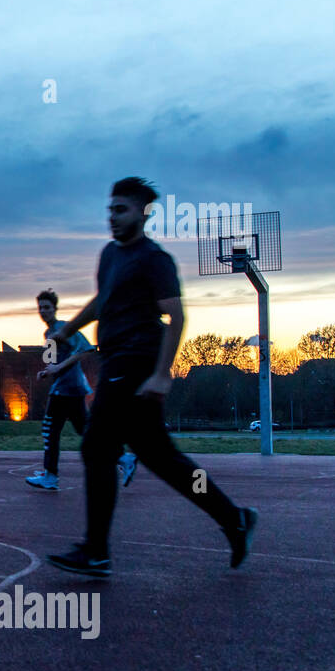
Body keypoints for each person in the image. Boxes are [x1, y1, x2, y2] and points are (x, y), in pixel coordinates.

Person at [46, 177, 257, 577]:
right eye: (110, 208)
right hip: (115, 361)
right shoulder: (110, 254)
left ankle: (95, 551)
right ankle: (235, 520)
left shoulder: (154, 259)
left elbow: (176, 316)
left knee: (96, 447)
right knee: (160, 456)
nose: (112, 216)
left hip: (136, 361)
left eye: (121, 209)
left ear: (142, 213)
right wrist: (68, 329)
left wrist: (162, 375)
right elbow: (102, 300)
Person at [27, 289, 138, 490]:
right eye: (40, 308)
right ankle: (123, 458)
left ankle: (50, 475)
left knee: (49, 430)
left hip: (67, 388)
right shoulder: (48, 333)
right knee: (87, 433)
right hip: (68, 388)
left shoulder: (63, 328)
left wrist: (58, 368)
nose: (43, 311)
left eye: (47, 307)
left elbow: (86, 349)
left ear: (55, 309)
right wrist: (47, 371)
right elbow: (54, 361)